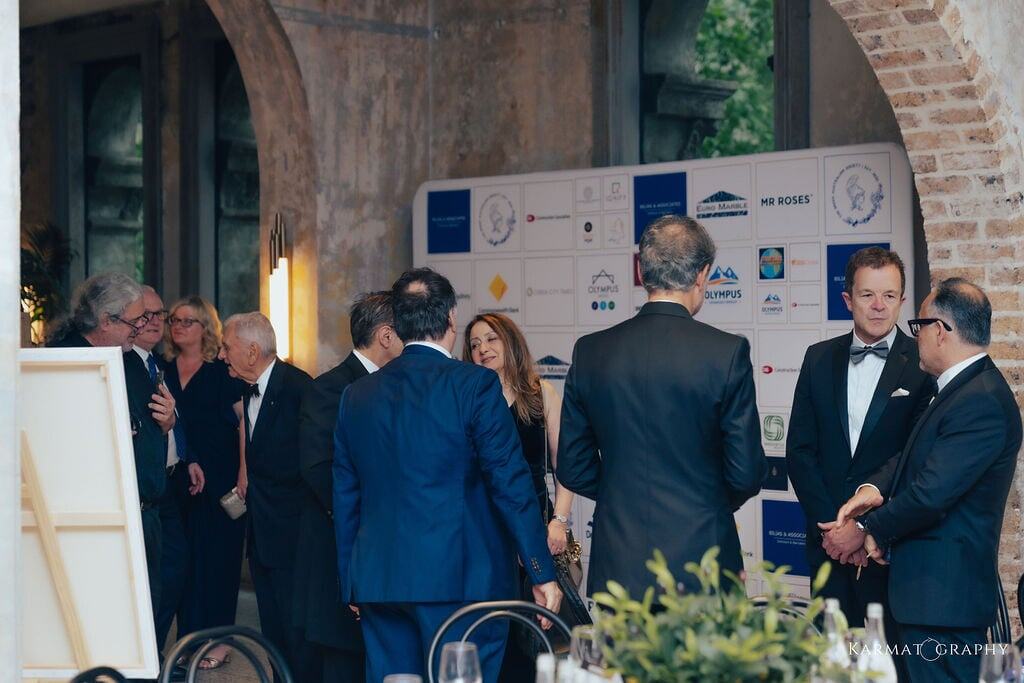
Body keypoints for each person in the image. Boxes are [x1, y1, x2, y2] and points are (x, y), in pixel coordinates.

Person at [332, 268, 562, 682]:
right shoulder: (475, 385)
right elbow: (510, 484)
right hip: (462, 584)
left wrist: (351, 578)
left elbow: (346, 495)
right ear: (452, 318)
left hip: (379, 580)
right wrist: (541, 572)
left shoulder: (356, 395)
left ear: (398, 324)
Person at [558, 214, 767, 598]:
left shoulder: (591, 352)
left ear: (641, 271)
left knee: (620, 662)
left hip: (618, 564)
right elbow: (746, 473)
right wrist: (705, 500)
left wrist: (621, 492)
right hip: (701, 561)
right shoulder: (726, 353)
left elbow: (572, 466)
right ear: (702, 275)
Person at [828, 278, 1022, 682]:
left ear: (940, 330)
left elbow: (930, 494)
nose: (914, 337)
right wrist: (872, 491)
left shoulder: (980, 400)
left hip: (944, 603)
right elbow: (915, 458)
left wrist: (866, 530)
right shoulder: (961, 389)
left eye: (919, 327)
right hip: (928, 599)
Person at [786, 248, 932, 640]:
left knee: (886, 664)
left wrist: (864, 527)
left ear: (902, 301)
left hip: (887, 550)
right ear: (848, 300)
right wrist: (833, 531)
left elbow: (915, 459)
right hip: (827, 546)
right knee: (830, 661)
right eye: (868, 295)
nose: (879, 306)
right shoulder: (817, 359)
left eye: (890, 295)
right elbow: (799, 452)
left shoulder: (923, 364)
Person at [48, 272, 174, 620]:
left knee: (143, 615)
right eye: (134, 321)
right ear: (106, 320)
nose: (140, 329)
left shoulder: (131, 360)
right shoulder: (61, 361)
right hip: (96, 523)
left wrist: (167, 423)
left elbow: (150, 426)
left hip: (145, 513)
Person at [295, 291, 403, 683]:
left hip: (387, 559)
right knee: (345, 664)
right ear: (387, 336)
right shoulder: (331, 388)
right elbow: (320, 470)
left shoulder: (399, 386)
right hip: (344, 553)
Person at [463, 313, 574, 682]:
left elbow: (565, 466)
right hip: (483, 536)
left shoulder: (541, 393)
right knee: (493, 637)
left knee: (536, 638)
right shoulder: (466, 400)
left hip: (535, 534)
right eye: (475, 344)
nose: (482, 349)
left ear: (510, 342)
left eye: (491, 339)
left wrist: (559, 521)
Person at [219, 312, 315, 680]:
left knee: (297, 635)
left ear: (252, 351)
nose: (223, 355)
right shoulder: (246, 388)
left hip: (293, 538)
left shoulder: (299, 389)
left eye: (228, 348)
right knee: (273, 634)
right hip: (261, 535)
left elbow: (311, 466)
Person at [163, 296, 246, 670]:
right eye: (174, 320)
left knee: (220, 562)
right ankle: (188, 639)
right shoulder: (162, 371)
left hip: (222, 482)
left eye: (188, 321)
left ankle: (220, 640)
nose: (178, 326)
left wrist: (245, 473)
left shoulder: (219, 372)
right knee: (186, 565)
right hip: (178, 483)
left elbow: (245, 423)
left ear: (205, 328)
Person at [129, 287, 207, 656]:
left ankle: (154, 655)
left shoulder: (154, 363)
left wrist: (188, 456)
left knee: (174, 571)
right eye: (148, 314)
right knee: (159, 575)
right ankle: (148, 658)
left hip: (171, 481)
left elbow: (173, 422)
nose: (156, 322)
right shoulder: (125, 363)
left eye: (161, 314)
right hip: (145, 487)